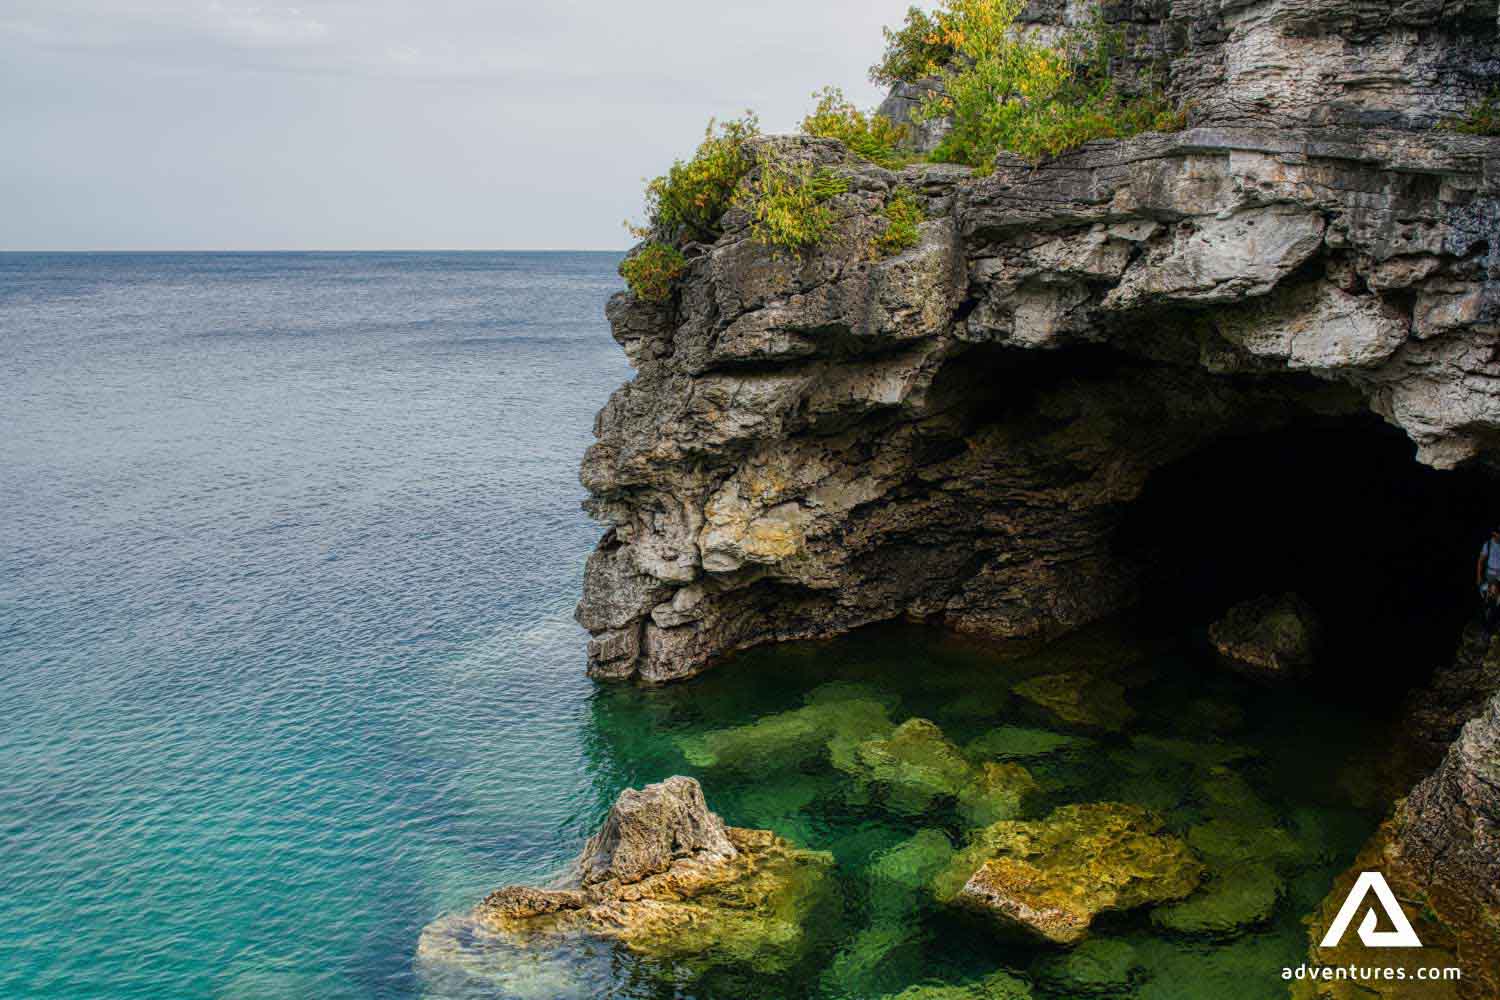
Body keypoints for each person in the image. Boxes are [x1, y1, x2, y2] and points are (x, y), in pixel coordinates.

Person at [1478, 527, 1500, 633]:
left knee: (1497, 602)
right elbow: (1480, 561)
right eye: (1498, 533)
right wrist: (1478, 577)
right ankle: (1488, 628)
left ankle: (1494, 625)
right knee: (1491, 601)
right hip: (1490, 575)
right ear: (1494, 533)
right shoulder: (1488, 544)